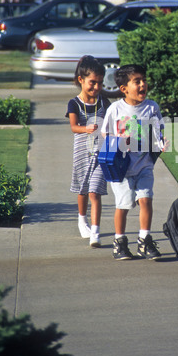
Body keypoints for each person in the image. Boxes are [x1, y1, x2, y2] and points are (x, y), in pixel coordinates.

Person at [101, 64, 165, 260]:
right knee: (124, 205)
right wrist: (120, 141)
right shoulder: (115, 108)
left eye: (144, 80)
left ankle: (144, 241)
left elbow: (158, 130)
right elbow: (105, 133)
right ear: (124, 89)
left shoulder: (152, 107)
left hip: (144, 165)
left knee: (146, 199)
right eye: (137, 81)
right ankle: (119, 242)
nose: (143, 84)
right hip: (122, 169)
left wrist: (160, 142)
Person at [66, 56, 110, 248]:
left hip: (101, 153)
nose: (96, 87)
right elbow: (74, 127)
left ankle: (95, 231)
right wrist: (87, 128)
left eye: (100, 83)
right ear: (80, 80)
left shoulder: (104, 102)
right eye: (92, 82)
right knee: (82, 189)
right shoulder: (74, 103)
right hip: (82, 152)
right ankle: (82, 219)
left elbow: (112, 123)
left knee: (95, 191)